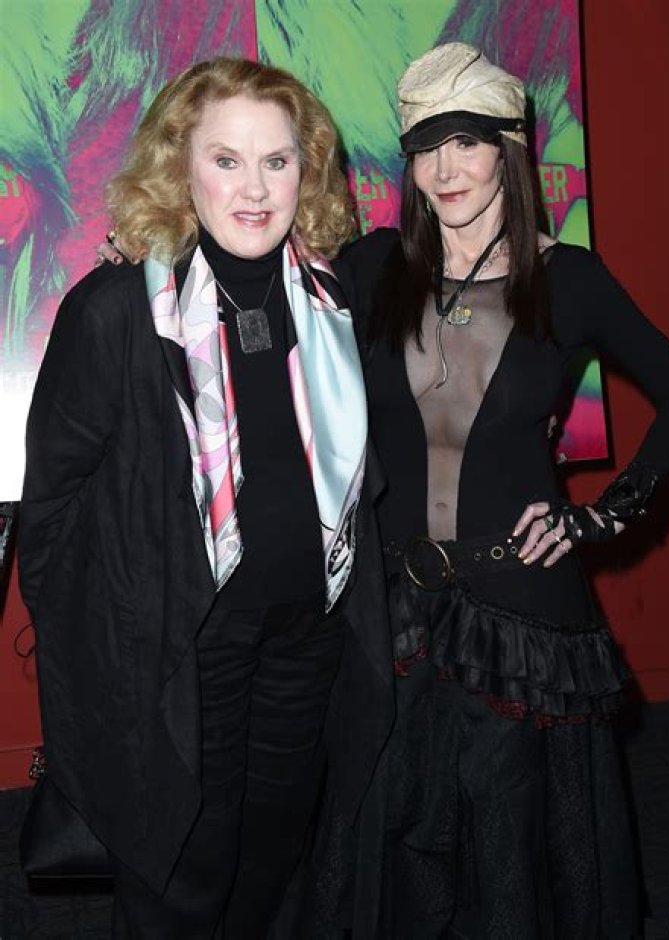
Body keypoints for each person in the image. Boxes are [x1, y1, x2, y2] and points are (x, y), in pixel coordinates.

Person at [297, 43, 669, 938]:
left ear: (508, 150)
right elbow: (259, 295)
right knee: (397, 830)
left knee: (511, 838)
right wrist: (141, 253)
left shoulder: (570, 279)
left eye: (467, 142)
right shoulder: (372, 267)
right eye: (425, 147)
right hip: (394, 605)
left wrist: (605, 515)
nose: (445, 169)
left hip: (523, 606)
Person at [18, 56, 393, 938]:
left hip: (309, 634)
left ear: (307, 171)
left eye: (277, 160)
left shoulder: (338, 300)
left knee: (276, 857)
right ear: (179, 166)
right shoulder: (115, 312)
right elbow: (53, 511)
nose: (254, 189)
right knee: (183, 871)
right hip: (182, 648)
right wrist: (109, 642)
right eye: (227, 160)